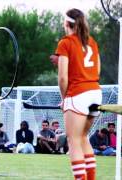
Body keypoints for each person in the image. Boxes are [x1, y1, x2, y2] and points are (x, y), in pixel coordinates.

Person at [53, 8, 102, 180]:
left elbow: (62, 78)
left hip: (78, 94)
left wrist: (65, 99)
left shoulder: (65, 43)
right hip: (95, 92)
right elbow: (97, 70)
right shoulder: (92, 42)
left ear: (67, 23)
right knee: (83, 137)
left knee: (73, 140)